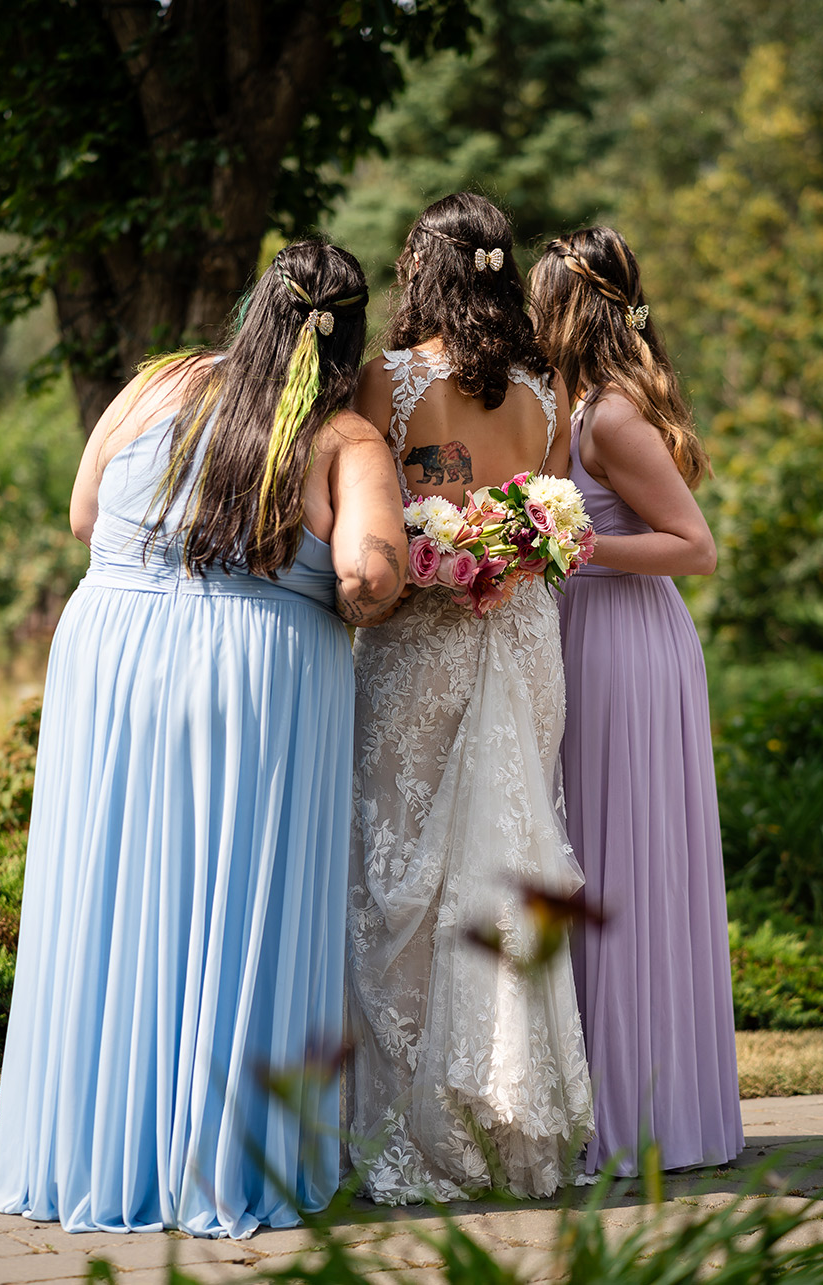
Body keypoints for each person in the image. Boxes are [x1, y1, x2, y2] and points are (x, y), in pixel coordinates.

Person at [0, 240, 407, 1237]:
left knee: (115, 892)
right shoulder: (343, 436)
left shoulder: (154, 385)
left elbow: (86, 512)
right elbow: (366, 578)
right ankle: (223, 1161)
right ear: (347, 336)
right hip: (255, 672)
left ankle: (92, 1153)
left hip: (114, 659)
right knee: (238, 893)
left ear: (252, 308)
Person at [346, 193, 594, 1205]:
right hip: (525, 637)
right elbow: (555, 518)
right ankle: (505, 1118)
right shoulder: (545, 390)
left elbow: (372, 525)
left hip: (424, 640)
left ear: (424, 270)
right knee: (504, 858)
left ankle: (408, 1126)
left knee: (400, 873)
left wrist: (445, 548)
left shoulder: (386, 382)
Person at [529, 226, 744, 1176]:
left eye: (541, 303)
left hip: (626, 640)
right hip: (592, 633)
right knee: (596, 860)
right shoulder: (578, 409)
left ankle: (633, 1117)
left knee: (622, 865)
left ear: (569, 310)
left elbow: (693, 545)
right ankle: (611, 1100)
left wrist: (572, 542)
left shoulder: (611, 417)